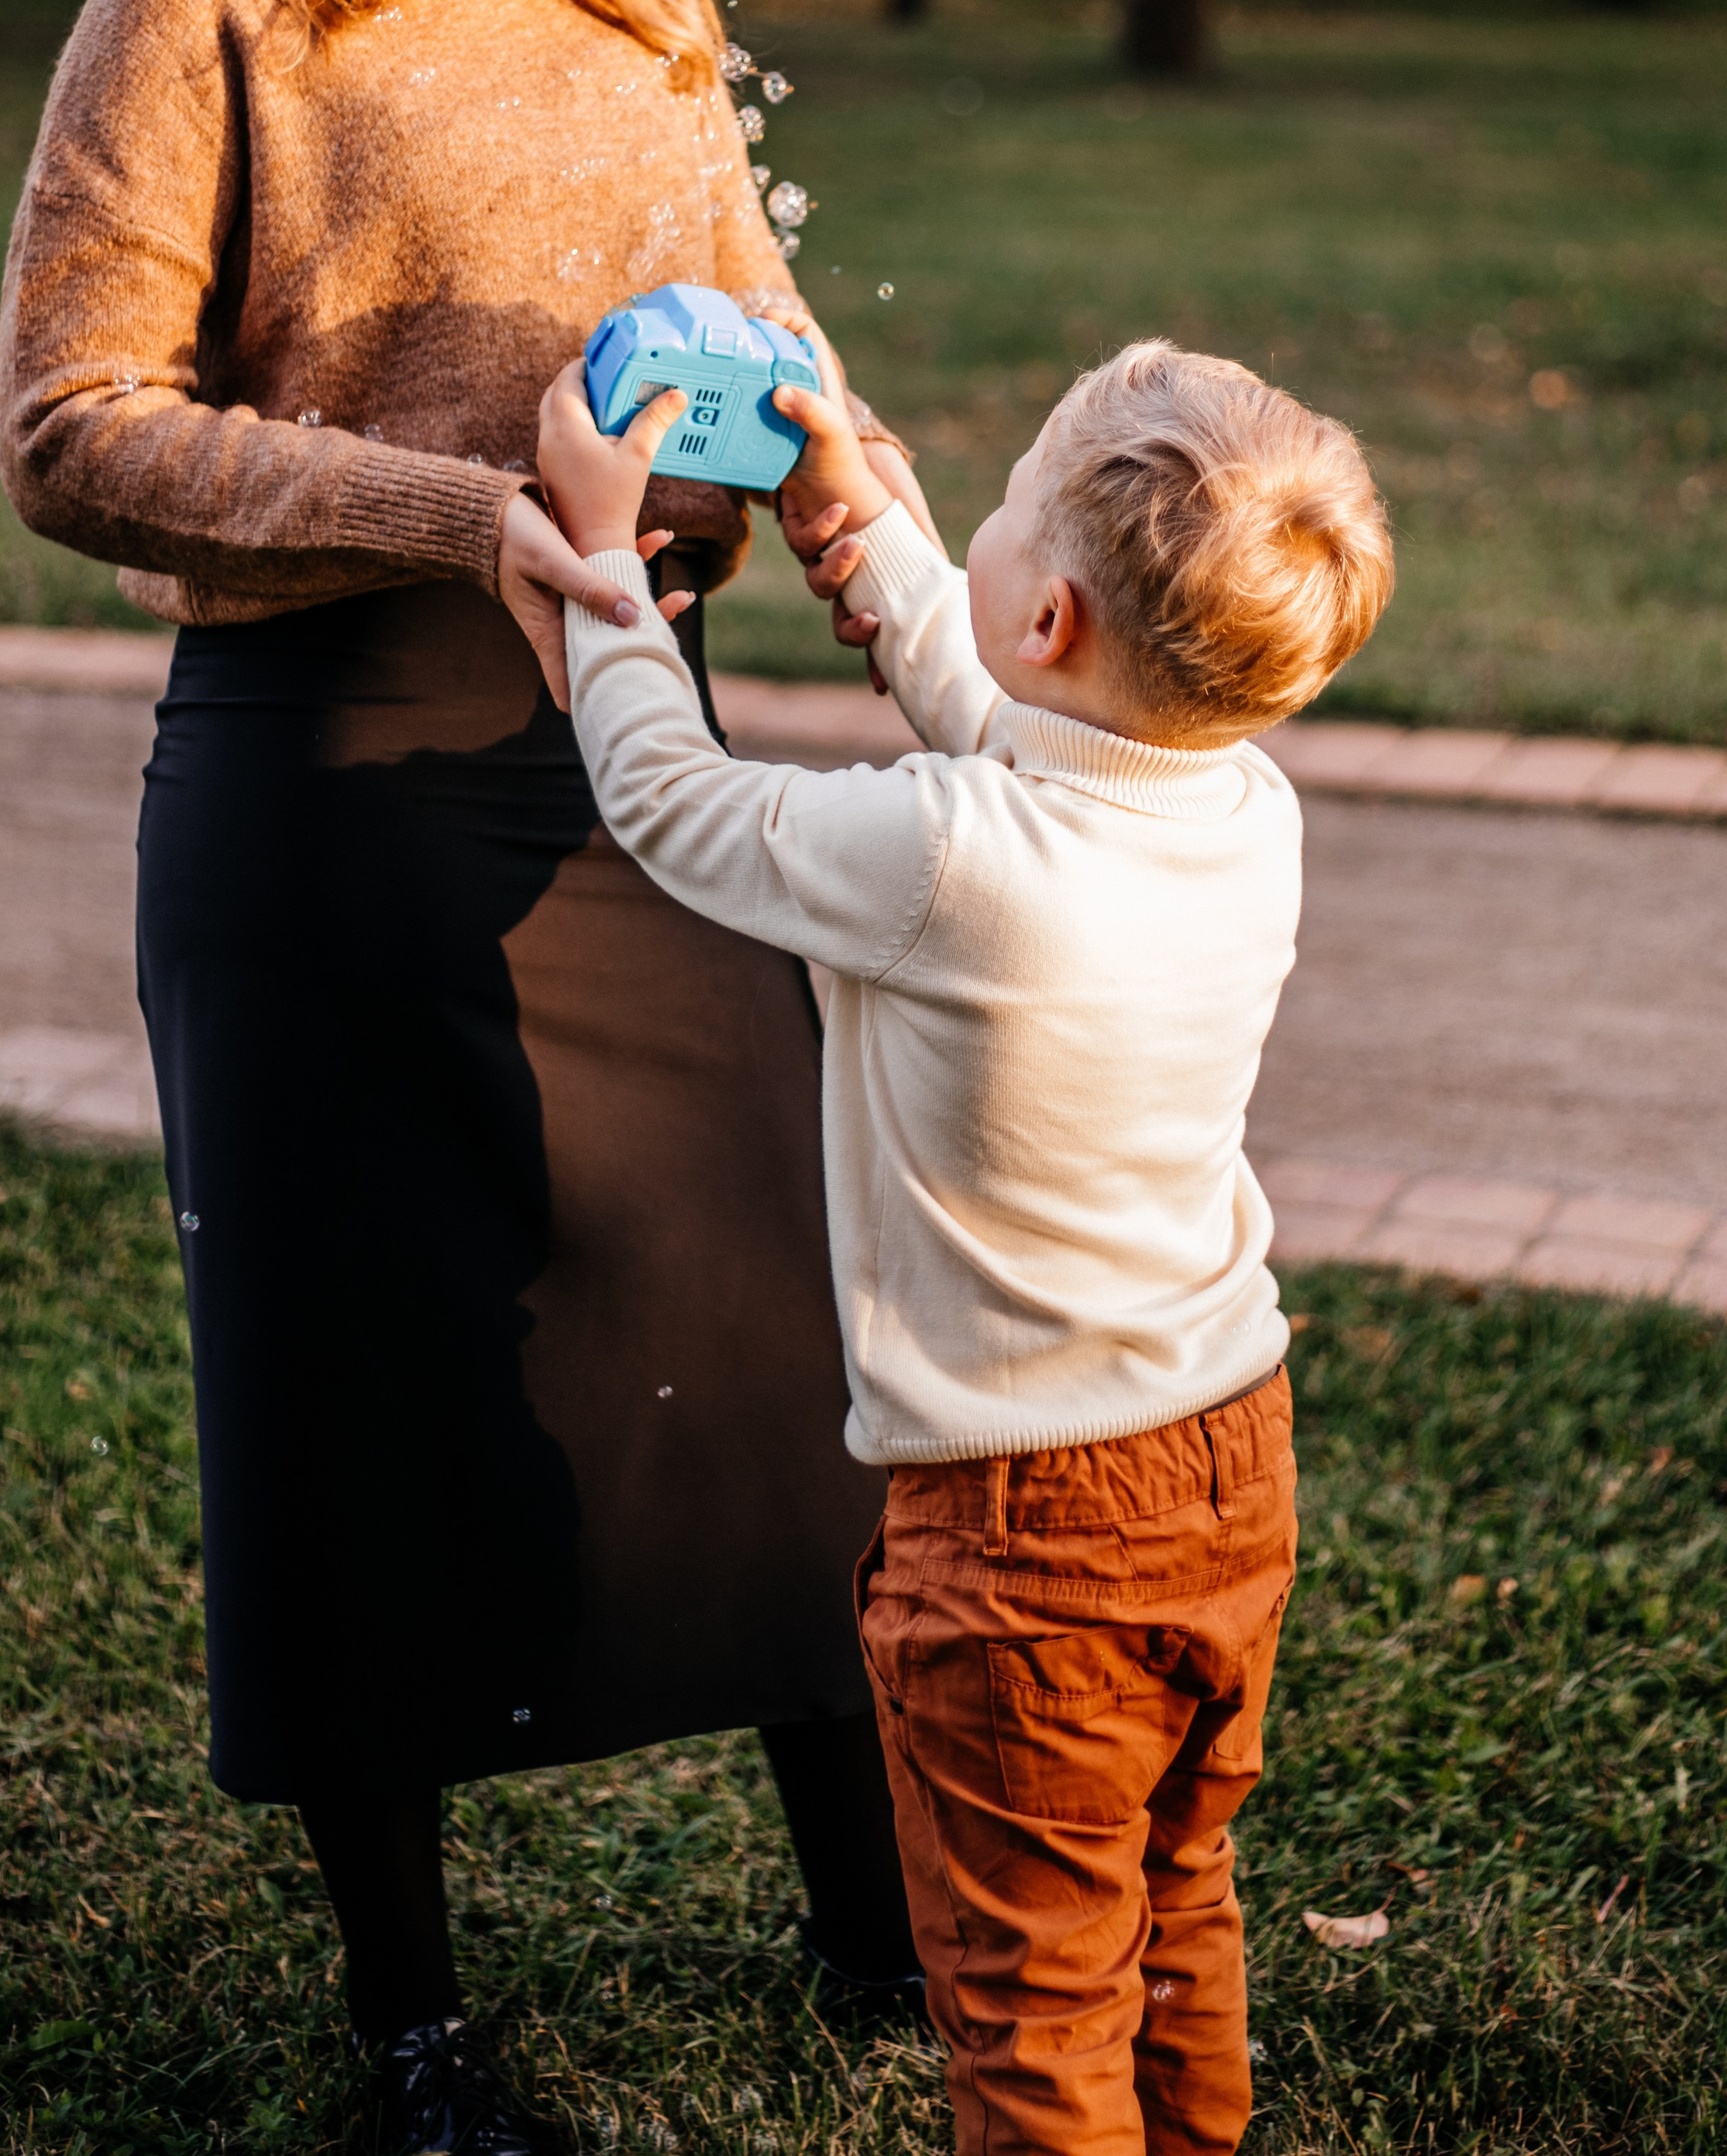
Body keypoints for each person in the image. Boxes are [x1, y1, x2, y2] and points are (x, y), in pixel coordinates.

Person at [0, 0, 925, 2151]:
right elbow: (73, 434)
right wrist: (471, 511)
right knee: (363, 1406)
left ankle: (882, 1936)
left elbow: (757, 356)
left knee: (775, 1365)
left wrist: (815, 478)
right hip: (330, 796)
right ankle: (413, 2030)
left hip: (640, 773)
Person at [525, 337, 1395, 2154]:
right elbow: (1022, 718)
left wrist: (604, 571)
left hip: (1025, 1530)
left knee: (1026, 1994)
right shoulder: (1240, 808)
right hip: (1224, 1457)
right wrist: (862, 534)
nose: (964, 531)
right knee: (1172, 1896)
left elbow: (680, 808)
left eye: (984, 512)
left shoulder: (943, 857)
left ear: (1054, 614)